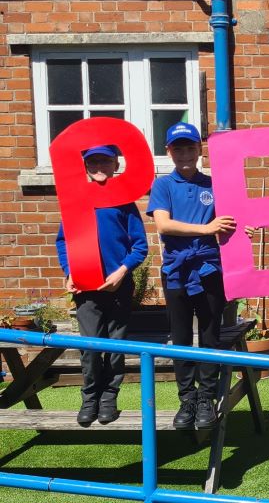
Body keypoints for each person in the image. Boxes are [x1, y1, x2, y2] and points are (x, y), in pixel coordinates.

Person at [147, 122, 236, 430]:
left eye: (190, 147)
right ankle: (187, 398)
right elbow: (163, 225)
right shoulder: (162, 185)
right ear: (169, 152)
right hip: (177, 271)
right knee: (182, 336)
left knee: (210, 334)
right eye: (178, 148)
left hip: (210, 269)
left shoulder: (213, 184)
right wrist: (206, 229)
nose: (185, 153)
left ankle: (206, 398)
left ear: (200, 150)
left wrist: (241, 228)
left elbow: (229, 221)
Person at [56, 145, 148, 425]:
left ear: (115, 163)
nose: (99, 166)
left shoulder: (123, 201)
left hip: (117, 287)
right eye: (93, 161)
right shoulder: (76, 199)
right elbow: (63, 242)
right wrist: (69, 272)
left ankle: (109, 397)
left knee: (115, 345)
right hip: (86, 290)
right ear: (84, 165)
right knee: (90, 347)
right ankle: (90, 397)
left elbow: (139, 246)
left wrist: (121, 273)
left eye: (105, 161)